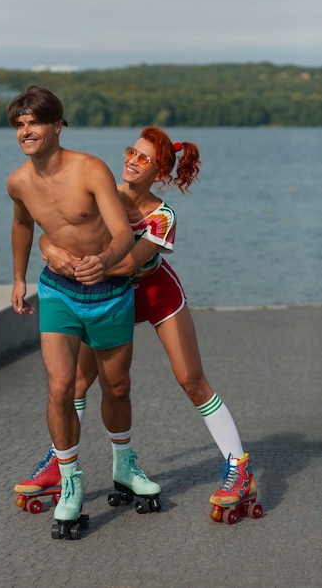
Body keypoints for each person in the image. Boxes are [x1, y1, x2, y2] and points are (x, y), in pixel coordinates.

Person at [15, 125, 258, 520]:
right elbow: (54, 225)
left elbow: (127, 263)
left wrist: (69, 259)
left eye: (144, 158)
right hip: (109, 296)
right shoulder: (102, 188)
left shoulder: (163, 216)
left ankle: (238, 467)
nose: (132, 160)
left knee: (191, 380)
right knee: (75, 383)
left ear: (159, 173)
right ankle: (59, 465)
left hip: (152, 292)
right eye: (132, 151)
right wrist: (47, 246)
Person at [7, 87, 160, 533]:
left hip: (109, 293)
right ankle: (70, 480)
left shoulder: (90, 168)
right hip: (57, 293)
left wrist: (104, 261)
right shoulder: (18, 181)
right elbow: (21, 223)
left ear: (57, 125)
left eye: (34, 122)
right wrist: (19, 276)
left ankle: (125, 464)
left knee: (117, 388)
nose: (26, 131)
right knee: (60, 388)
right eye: (19, 124)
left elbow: (121, 234)